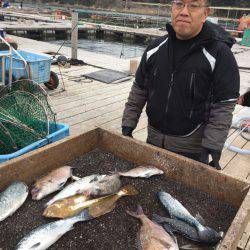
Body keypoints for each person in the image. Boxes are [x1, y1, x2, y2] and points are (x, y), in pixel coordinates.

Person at [122, 0, 240, 170]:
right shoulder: (154, 48)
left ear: (205, 13)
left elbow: (223, 107)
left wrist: (212, 148)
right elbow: (138, 91)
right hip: (152, 141)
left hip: (192, 151)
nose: (184, 11)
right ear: (172, 8)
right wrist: (128, 125)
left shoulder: (220, 55)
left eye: (193, 6)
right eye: (179, 4)